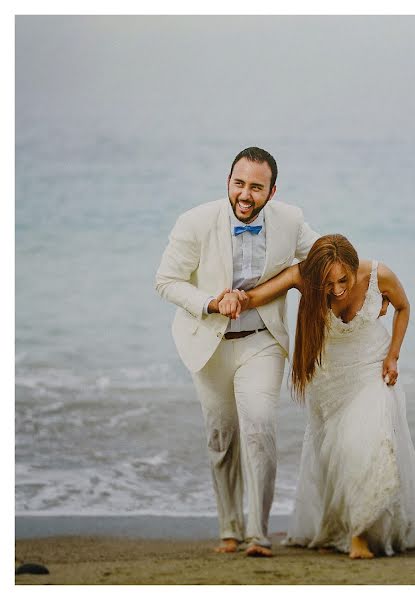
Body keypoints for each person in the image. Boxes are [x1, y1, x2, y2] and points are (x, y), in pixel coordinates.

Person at [218, 234, 415, 558]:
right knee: (333, 457)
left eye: (343, 280)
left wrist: (394, 355)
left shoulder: (380, 275)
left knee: (366, 444)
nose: (336, 290)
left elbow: (403, 307)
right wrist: (233, 299)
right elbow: (257, 296)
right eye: (328, 284)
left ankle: (359, 536)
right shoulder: (304, 276)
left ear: (353, 265)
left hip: (371, 370)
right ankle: (339, 528)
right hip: (330, 381)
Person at [155, 147, 320, 557]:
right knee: (222, 437)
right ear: (229, 182)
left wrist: (372, 287)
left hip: (262, 342)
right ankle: (229, 529)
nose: (246, 195)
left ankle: (258, 534)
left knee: (260, 427)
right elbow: (166, 281)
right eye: (239, 184)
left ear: (272, 191)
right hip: (208, 345)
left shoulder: (290, 221)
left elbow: (323, 259)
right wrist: (212, 302)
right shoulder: (193, 222)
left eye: (256, 188)